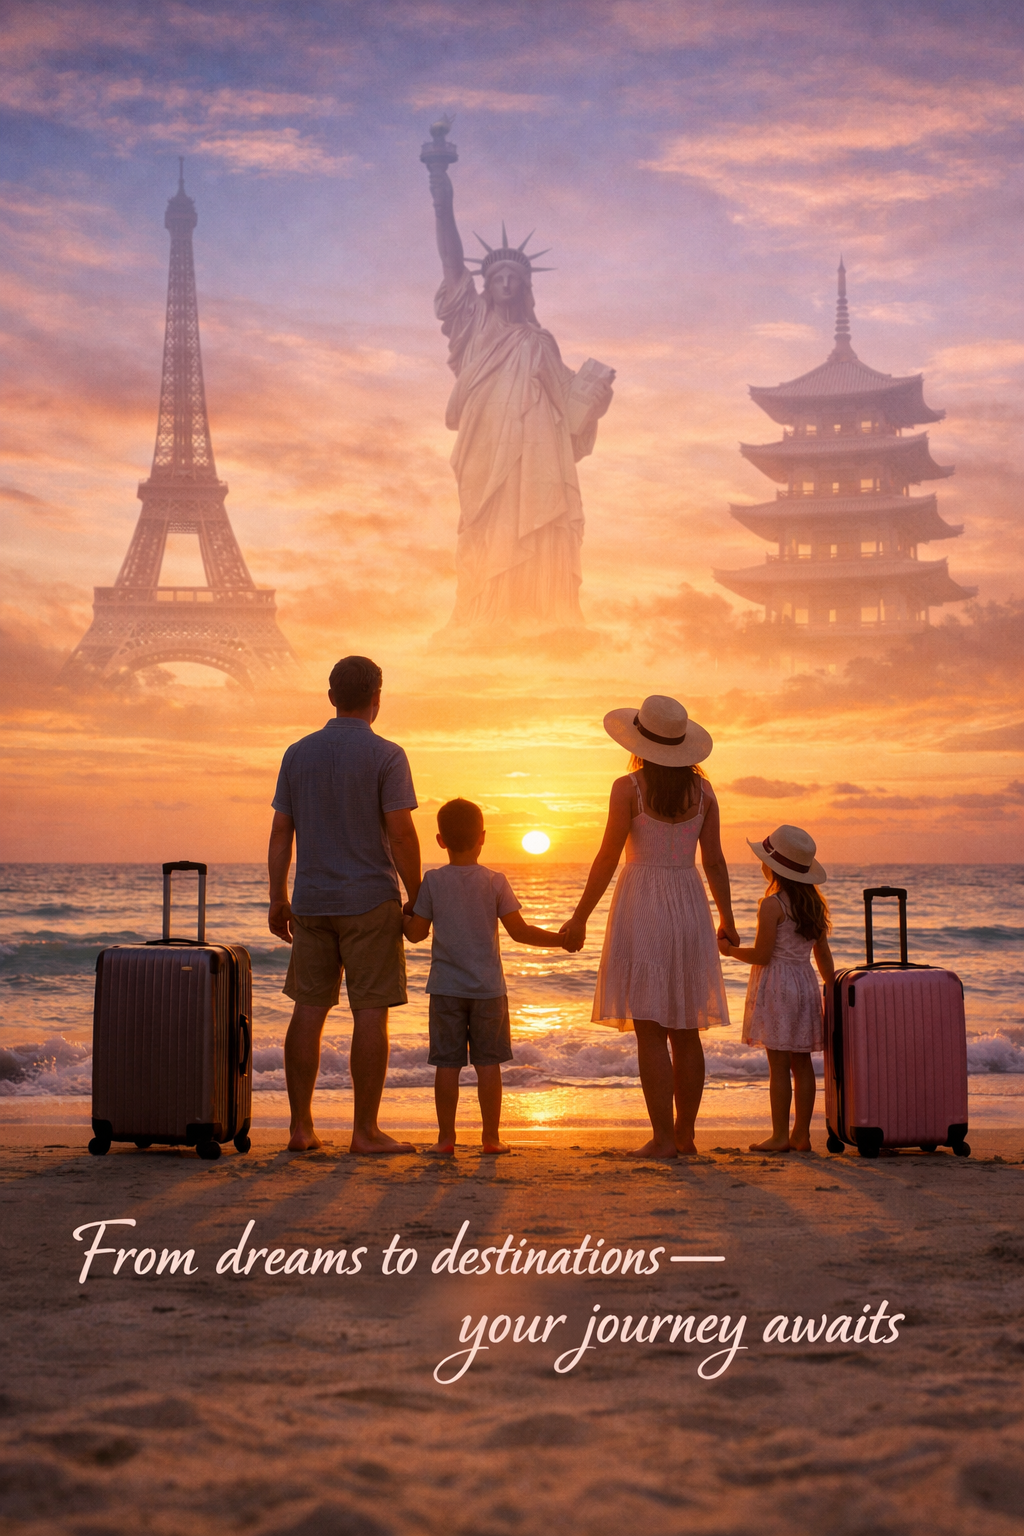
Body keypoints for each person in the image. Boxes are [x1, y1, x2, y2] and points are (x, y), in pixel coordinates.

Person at [423, 127, 614, 630]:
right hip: (485, 447)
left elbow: (570, 409)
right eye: (497, 277)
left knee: (535, 525)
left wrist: (595, 395)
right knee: (486, 527)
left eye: (515, 278)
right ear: (486, 285)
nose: (506, 283)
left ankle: (537, 608)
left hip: (537, 455)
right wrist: (439, 185)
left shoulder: (540, 342)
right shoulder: (473, 325)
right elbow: (449, 256)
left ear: (526, 288)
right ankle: (483, 607)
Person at [560, 696, 738, 1159]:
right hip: (689, 902)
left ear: (639, 741)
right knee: (686, 1028)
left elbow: (606, 858)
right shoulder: (705, 794)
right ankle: (685, 1136)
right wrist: (728, 919)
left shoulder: (628, 788)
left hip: (642, 902)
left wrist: (580, 916)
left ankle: (662, 1139)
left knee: (651, 1029)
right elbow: (714, 861)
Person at [268, 655, 422, 1155]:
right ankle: (365, 1131)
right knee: (371, 1013)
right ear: (377, 698)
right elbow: (401, 834)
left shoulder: (297, 753)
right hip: (369, 899)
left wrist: (278, 895)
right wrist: (418, 897)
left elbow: (281, 831)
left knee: (308, 1010)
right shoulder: (387, 755)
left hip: (312, 900)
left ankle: (300, 1128)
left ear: (331, 696)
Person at [403, 798, 568, 1154]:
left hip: (446, 990)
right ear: (483, 837)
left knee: (447, 1065)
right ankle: (491, 1138)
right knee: (488, 1064)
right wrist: (561, 941)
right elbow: (520, 932)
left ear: (440, 840)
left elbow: (416, 934)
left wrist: (397, 916)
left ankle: (446, 1140)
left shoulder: (432, 881)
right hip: (489, 990)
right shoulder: (495, 881)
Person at [719, 825, 834, 1154]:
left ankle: (780, 1135)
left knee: (778, 1066)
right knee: (803, 1064)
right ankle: (802, 1135)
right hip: (806, 985)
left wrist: (729, 952)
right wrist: (833, 987)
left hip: (778, 987)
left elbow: (762, 955)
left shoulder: (772, 905)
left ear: (773, 867)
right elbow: (823, 957)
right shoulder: (814, 906)